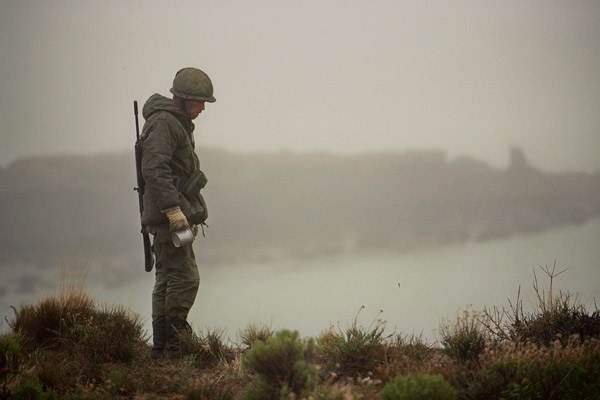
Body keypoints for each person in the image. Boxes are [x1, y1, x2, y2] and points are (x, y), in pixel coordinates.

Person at [140, 67, 216, 359]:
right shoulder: (164, 123)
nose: (202, 107)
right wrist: (174, 211)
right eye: (198, 101)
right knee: (185, 279)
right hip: (170, 219)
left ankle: (163, 348)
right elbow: (154, 169)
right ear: (182, 99)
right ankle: (175, 346)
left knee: (167, 278)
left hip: (170, 217)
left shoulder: (173, 122)